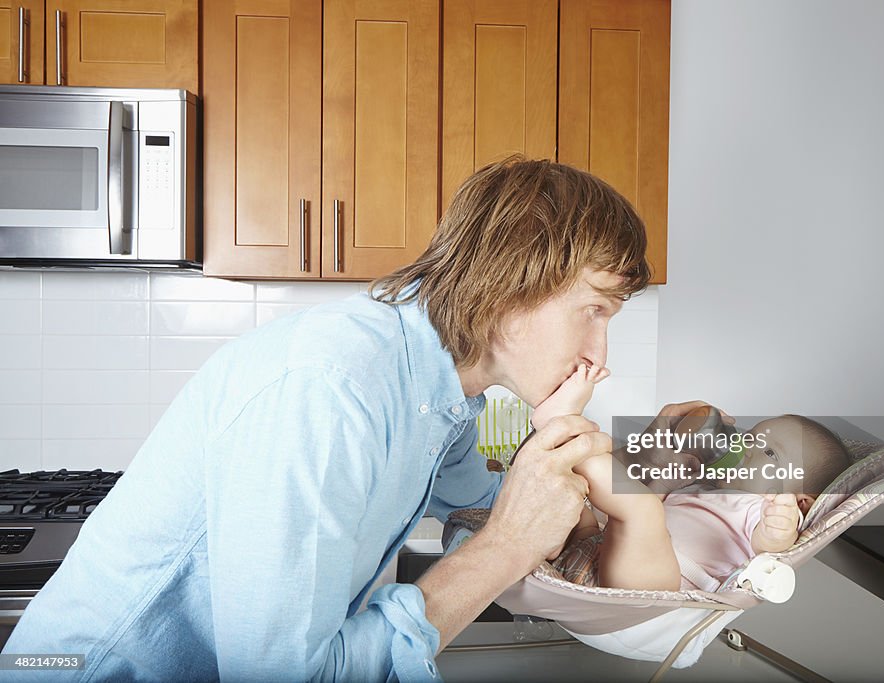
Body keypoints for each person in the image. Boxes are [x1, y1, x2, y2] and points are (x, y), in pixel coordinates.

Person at [1, 157, 713, 681]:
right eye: (594, 311)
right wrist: (502, 547)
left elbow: (501, 503)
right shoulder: (330, 392)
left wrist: (621, 484)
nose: (601, 354)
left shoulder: (446, 395)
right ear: (511, 281)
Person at [530, 369, 851, 592]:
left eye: (769, 452)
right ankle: (562, 443)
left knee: (639, 509)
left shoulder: (764, 510)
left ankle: (564, 429)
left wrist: (781, 527)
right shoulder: (704, 485)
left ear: (799, 500)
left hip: (653, 586)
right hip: (593, 555)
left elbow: (772, 548)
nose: (747, 447)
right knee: (582, 501)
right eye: (751, 437)